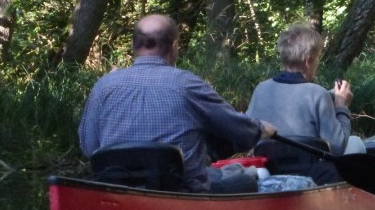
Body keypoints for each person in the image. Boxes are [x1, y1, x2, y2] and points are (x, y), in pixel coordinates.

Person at [78, 14, 276, 193]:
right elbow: (238, 129)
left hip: (118, 192)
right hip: (181, 192)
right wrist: (260, 129)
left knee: (216, 173)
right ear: (173, 47)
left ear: (134, 45)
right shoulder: (188, 85)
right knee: (247, 181)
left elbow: (89, 147)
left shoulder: (103, 86)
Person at [246, 23, 364, 183]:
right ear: (309, 61)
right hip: (312, 174)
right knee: (356, 145)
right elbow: (337, 147)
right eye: (317, 59)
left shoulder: (261, 89)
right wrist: (341, 106)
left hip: (269, 170)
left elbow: (248, 135)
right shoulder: (318, 94)